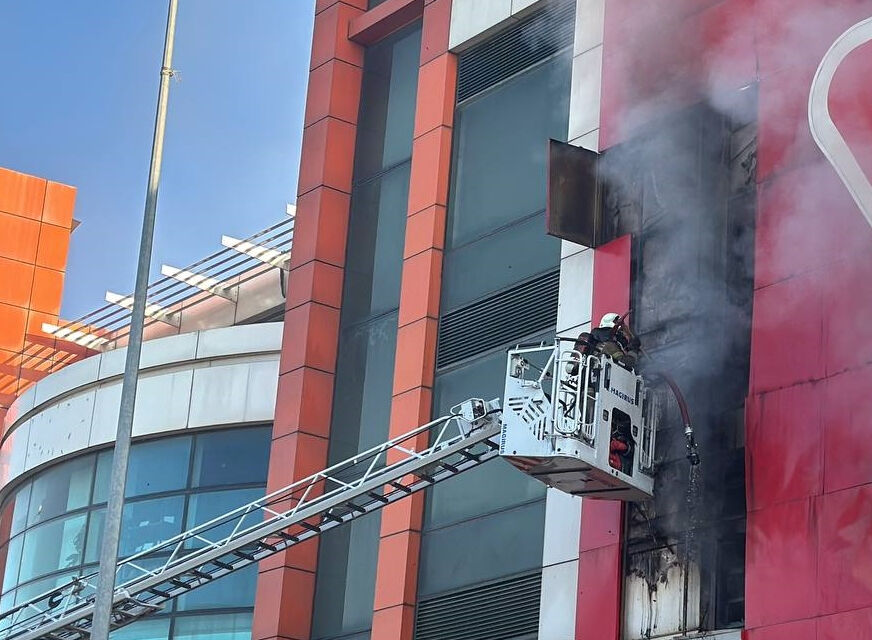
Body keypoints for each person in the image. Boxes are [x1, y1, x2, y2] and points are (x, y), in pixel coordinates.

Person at [567, 312, 641, 373]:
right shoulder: (609, 345)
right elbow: (627, 364)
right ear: (614, 331)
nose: (622, 335)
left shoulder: (596, 346)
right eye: (620, 332)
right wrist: (634, 349)